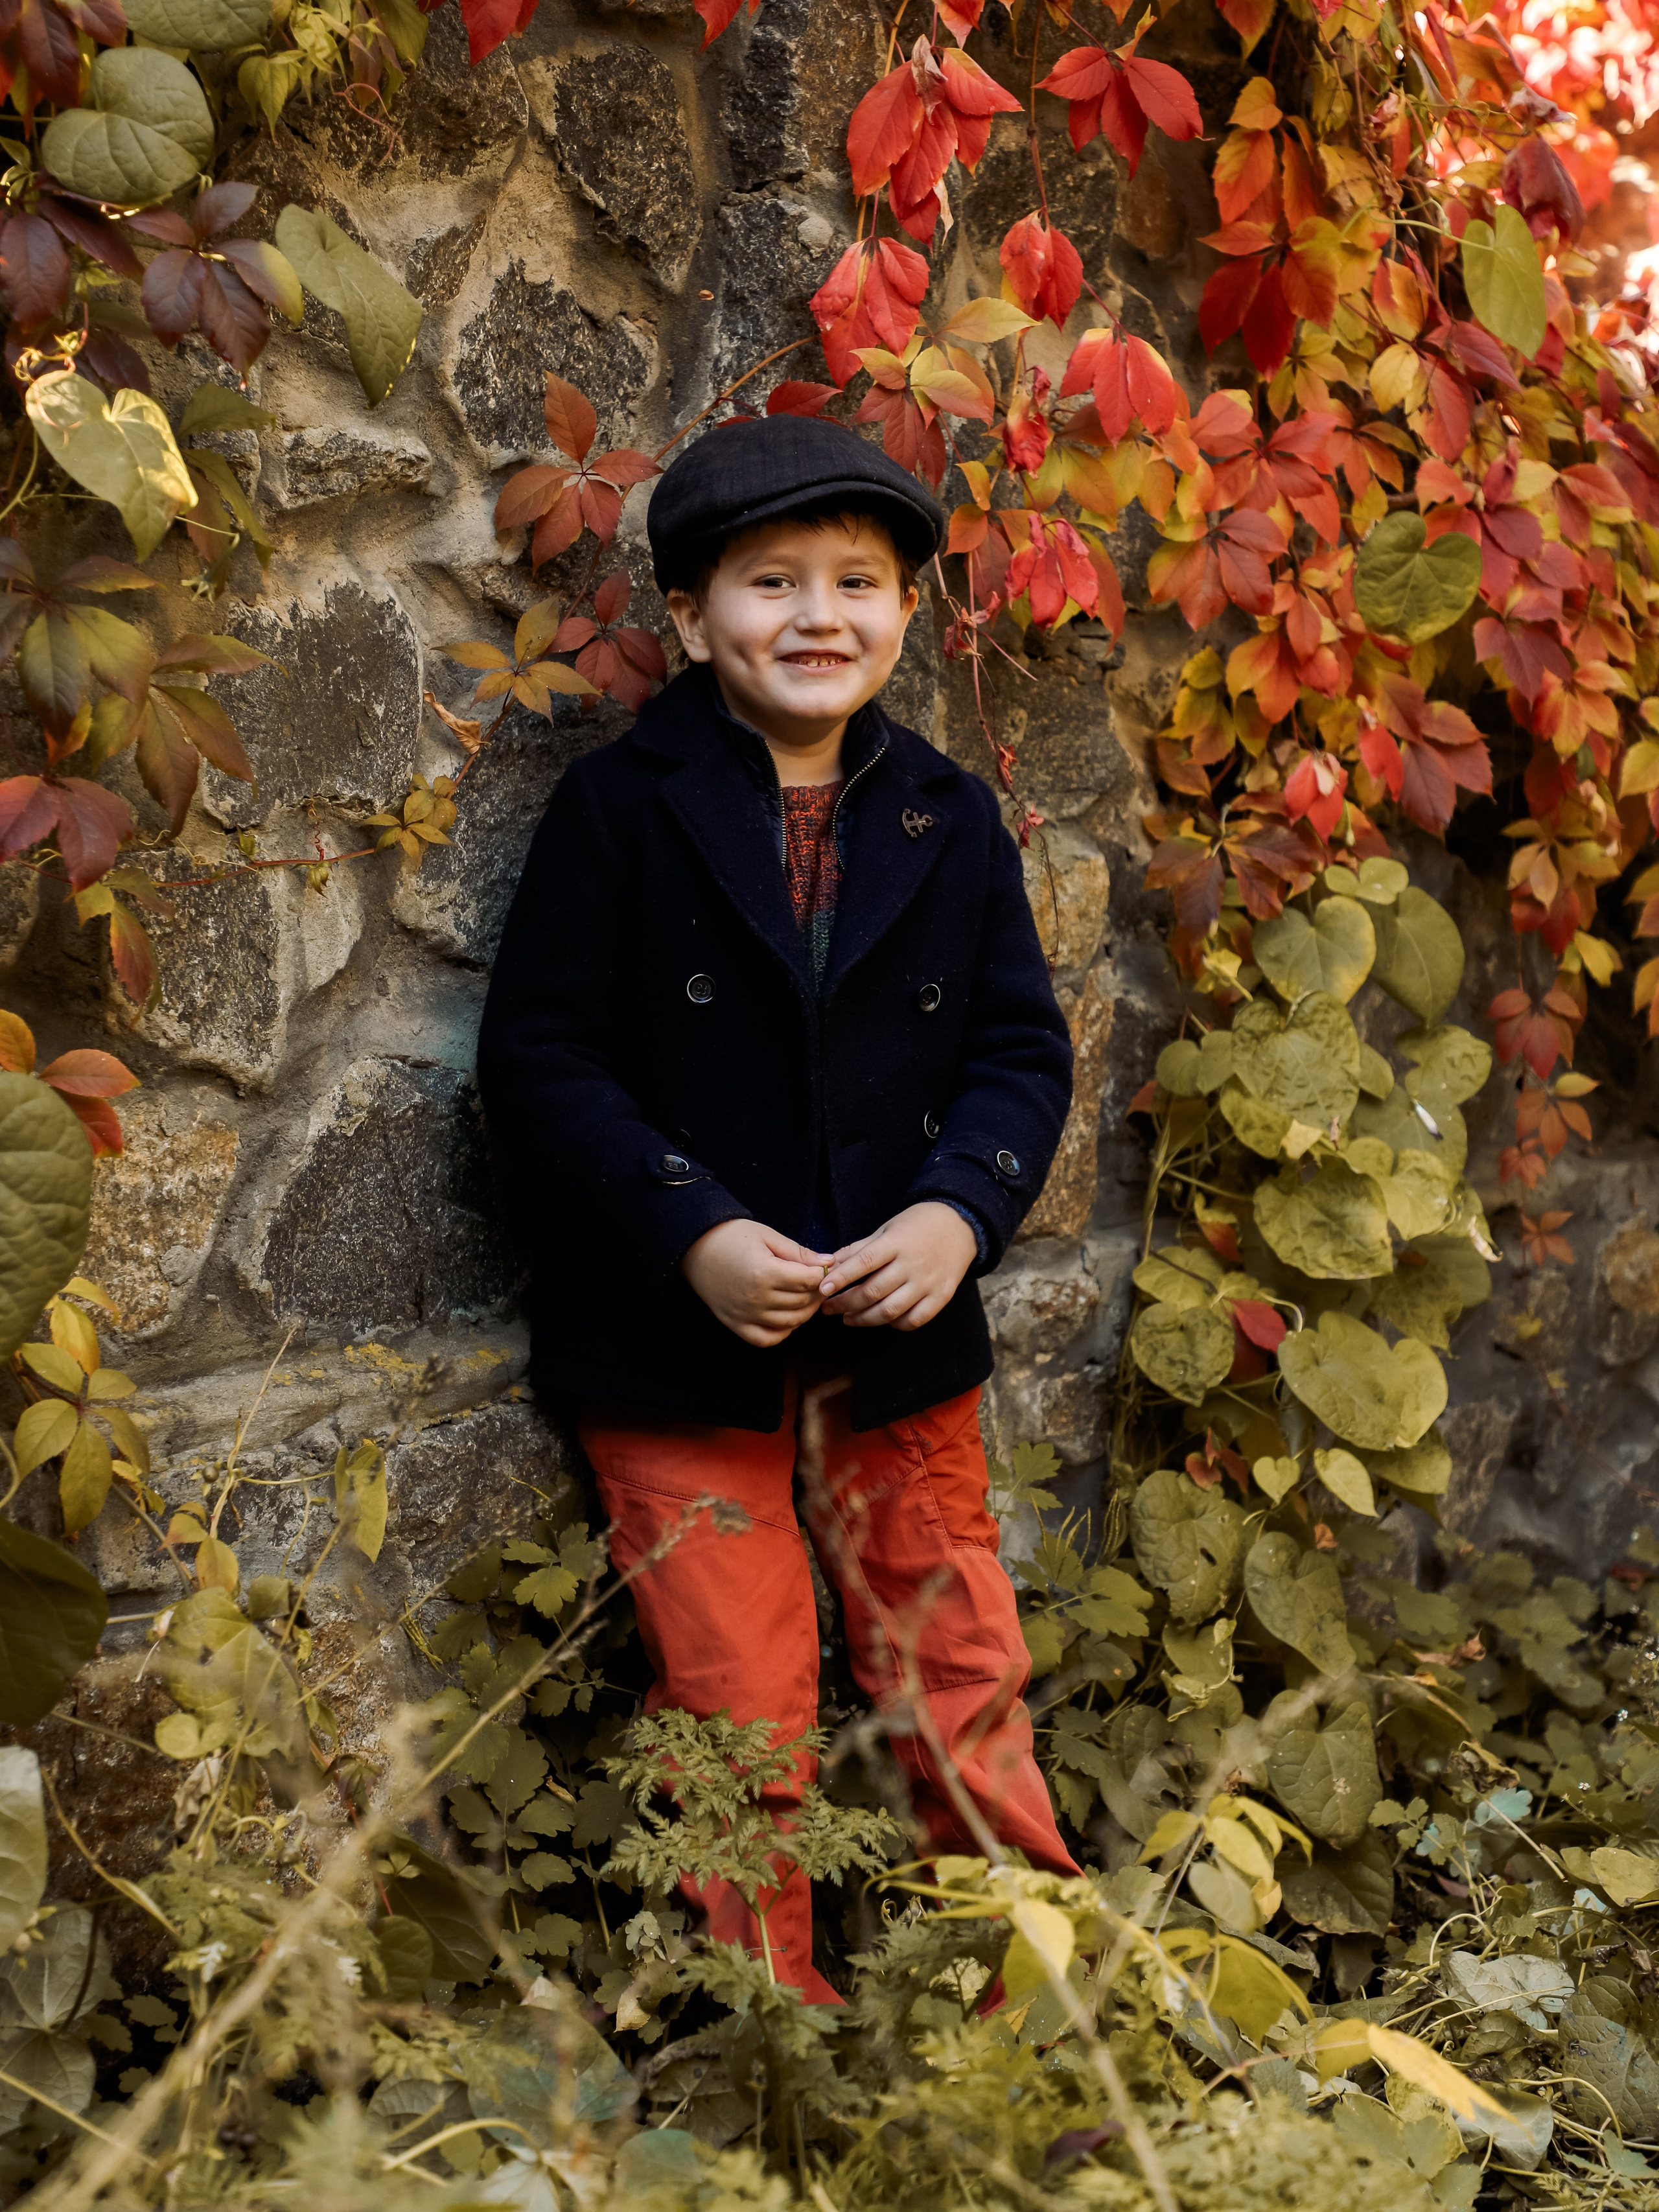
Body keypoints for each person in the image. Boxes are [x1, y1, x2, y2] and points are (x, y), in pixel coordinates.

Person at [477, 414, 1079, 2005]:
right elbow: (539, 1062)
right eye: (769, 581)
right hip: (679, 1348)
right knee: (737, 1702)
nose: (817, 615)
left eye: (857, 582)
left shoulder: (948, 817)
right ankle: (762, 2039)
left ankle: (1034, 2014)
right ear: (688, 616)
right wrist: (690, 1227)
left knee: (957, 1667)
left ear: (902, 612)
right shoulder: (621, 811)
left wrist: (962, 1215)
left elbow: (1020, 1051)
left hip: (897, 1347)